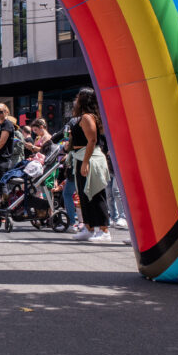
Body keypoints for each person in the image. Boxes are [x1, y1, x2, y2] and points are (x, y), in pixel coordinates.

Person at [67, 87, 111, 242]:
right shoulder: (85, 117)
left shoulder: (87, 117)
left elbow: (92, 140)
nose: (75, 100)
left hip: (89, 157)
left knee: (95, 193)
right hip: (82, 156)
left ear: (83, 100)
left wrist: (85, 162)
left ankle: (104, 230)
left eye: (78, 97)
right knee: (85, 194)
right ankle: (89, 227)